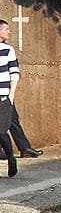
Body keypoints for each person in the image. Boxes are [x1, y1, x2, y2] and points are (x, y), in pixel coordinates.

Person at [0, 22, 21, 177]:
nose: (9, 31)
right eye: (6, 29)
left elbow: (14, 74)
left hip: (3, 98)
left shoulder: (8, 50)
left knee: (1, 131)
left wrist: (11, 96)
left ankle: (11, 158)